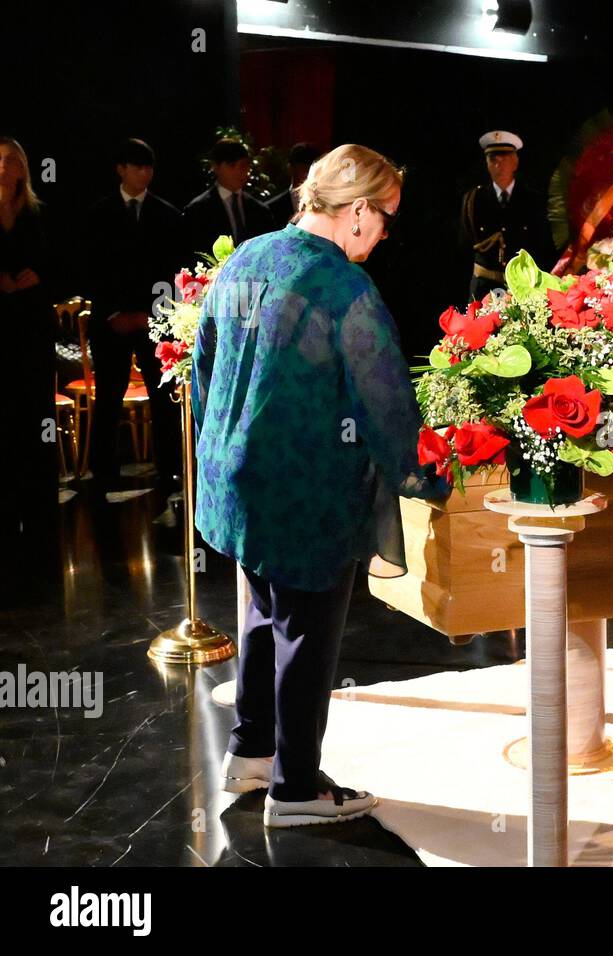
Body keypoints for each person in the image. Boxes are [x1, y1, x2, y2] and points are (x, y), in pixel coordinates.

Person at [194, 144, 446, 827]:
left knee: (262, 615)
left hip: (236, 478)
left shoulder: (247, 257)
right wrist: (427, 476)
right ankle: (297, 789)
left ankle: (250, 754)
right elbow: (384, 402)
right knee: (307, 630)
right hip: (304, 488)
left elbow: (205, 368)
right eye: (387, 217)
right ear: (358, 210)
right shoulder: (343, 287)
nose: (388, 232)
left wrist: (222, 448)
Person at [83, 138, 183, 498]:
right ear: (120, 169)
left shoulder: (168, 215)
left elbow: (175, 273)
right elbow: (91, 270)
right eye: (137, 166)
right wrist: (113, 312)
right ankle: (103, 471)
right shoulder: (99, 213)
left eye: (149, 166)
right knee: (109, 395)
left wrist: (149, 315)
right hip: (110, 321)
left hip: (154, 320)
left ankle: (170, 469)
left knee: (163, 396)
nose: (144, 173)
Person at [0, 136, 57, 575]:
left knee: (36, 418)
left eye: (12, 161)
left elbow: (63, 263)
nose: (4, 168)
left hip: (33, 329)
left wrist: (40, 274)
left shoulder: (39, 214)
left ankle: (39, 511)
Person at [459, 130, 554, 302]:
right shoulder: (473, 199)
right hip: (483, 288)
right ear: (487, 163)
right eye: (493, 159)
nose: (499, 165)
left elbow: (544, 247)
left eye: (505, 158)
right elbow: (464, 246)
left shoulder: (533, 200)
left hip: (523, 289)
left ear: (515, 161)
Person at [182, 138, 276, 258]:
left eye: (243, 165)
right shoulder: (197, 210)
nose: (239, 171)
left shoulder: (260, 210)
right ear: (215, 167)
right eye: (232, 165)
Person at [269, 142, 324, 224]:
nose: (308, 176)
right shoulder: (273, 207)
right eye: (303, 170)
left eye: (311, 171)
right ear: (290, 169)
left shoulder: (326, 204)